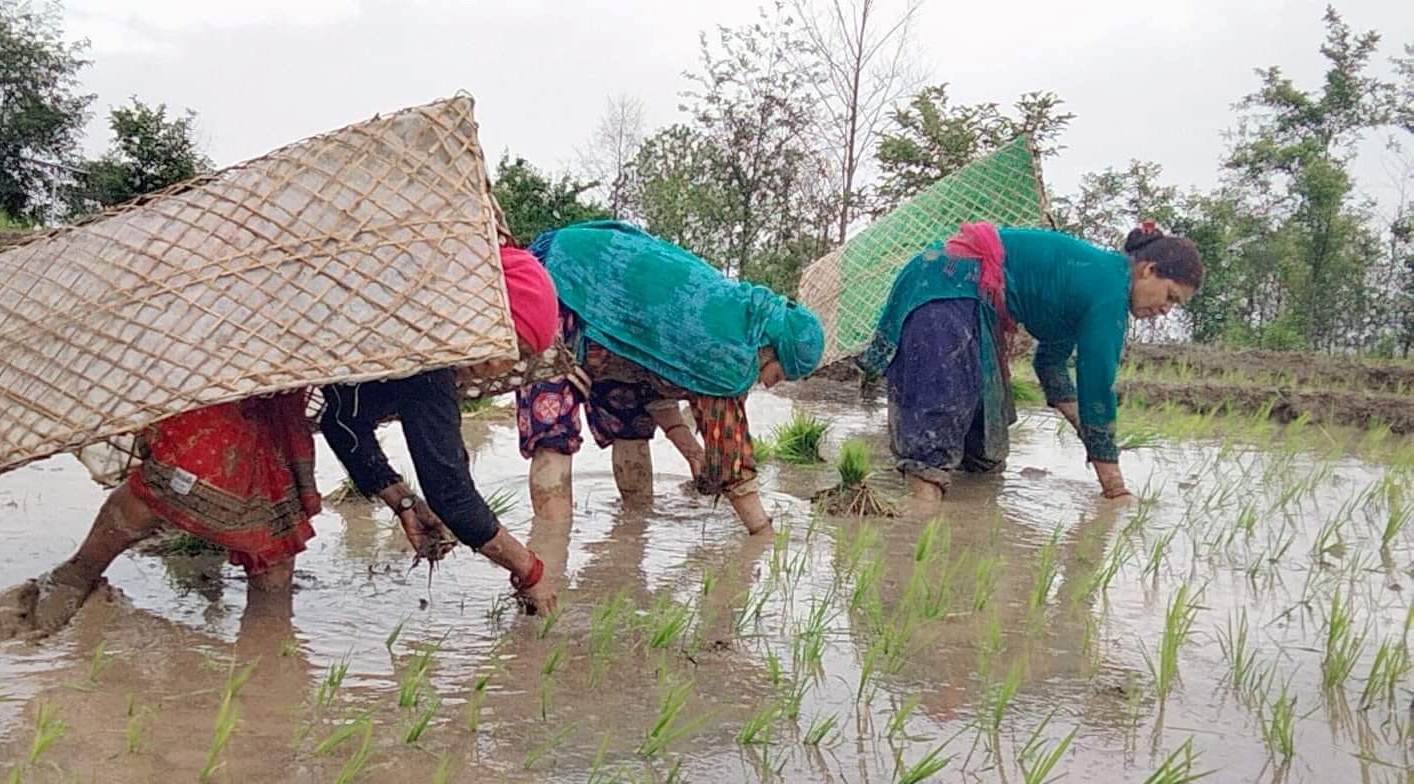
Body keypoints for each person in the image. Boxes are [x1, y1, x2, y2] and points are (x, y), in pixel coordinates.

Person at [516, 221, 826, 535]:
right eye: (780, 373)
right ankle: (548, 561)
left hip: (618, 331)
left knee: (632, 425)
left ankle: (631, 538)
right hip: (570, 281)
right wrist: (762, 534)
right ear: (770, 348)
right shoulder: (727, 349)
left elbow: (658, 385)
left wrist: (693, 454)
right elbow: (732, 458)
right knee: (553, 434)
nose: (772, 383)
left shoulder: (736, 322)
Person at [858, 220, 1204, 502]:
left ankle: (958, 532)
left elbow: (1050, 363)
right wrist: (1115, 489)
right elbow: (1097, 388)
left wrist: (1082, 428)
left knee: (983, 452)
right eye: (1170, 296)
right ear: (1149, 270)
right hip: (949, 286)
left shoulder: (1094, 284)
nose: (1165, 310)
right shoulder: (1110, 292)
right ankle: (914, 533)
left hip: (965, 295)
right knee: (936, 434)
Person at [317, 243, 561, 612]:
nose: (499, 361)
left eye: (517, 354)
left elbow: (340, 422)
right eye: (503, 336)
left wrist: (405, 503)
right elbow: (452, 496)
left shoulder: (400, 321)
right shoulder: (428, 361)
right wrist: (531, 572)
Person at [0, 391, 321, 638]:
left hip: (277, 390)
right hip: (214, 378)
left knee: (276, 528)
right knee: (169, 479)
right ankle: (77, 573)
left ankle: (269, 637)